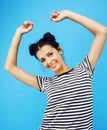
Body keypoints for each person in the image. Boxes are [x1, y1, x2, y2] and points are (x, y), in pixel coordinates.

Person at [4, 10, 107, 130]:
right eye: (42, 60)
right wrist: (18, 33)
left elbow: (102, 32)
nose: (48, 62)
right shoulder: (45, 83)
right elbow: (9, 67)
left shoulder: (84, 70)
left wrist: (68, 14)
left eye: (50, 54)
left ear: (59, 50)